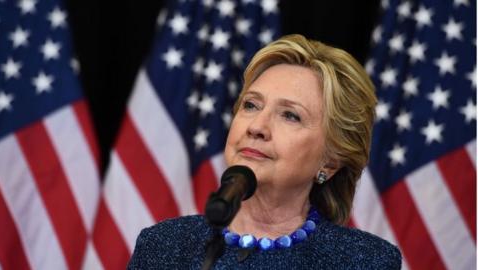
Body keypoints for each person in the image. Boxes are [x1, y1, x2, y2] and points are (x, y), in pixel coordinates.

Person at [128, 34, 402, 269]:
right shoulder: (162, 248)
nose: (257, 126)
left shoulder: (364, 261)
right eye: (251, 105)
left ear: (330, 160)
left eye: (290, 116)